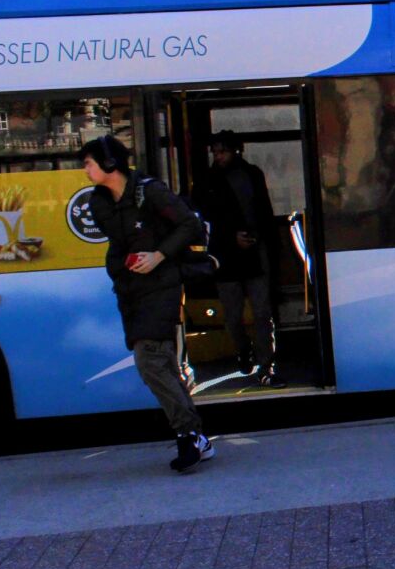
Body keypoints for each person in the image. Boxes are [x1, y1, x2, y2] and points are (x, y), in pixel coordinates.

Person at [81, 136, 214, 473]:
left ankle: (187, 434)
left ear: (110, 164)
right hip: (129, 290)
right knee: (162, 362)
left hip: (161, 284)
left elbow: (190, 225)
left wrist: (158, 255)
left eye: (89, 162)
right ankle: (198, 437)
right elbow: (117, 242)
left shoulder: (150, 191)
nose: (85, 169)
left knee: (149, 360)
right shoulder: (98, 202)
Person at [195, 131, 281, 385]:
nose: (218, 156)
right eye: (215, 152)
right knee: (232, 315)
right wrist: (231, 237)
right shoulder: (207, 180)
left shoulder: (252, 174)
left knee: (262, 313)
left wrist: (260, 239)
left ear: (236, 151)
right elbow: (204, 218)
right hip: (225, 255)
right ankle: (244, 350)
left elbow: (263, 212)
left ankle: (267, 363)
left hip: (254, 249)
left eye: (222, 151)